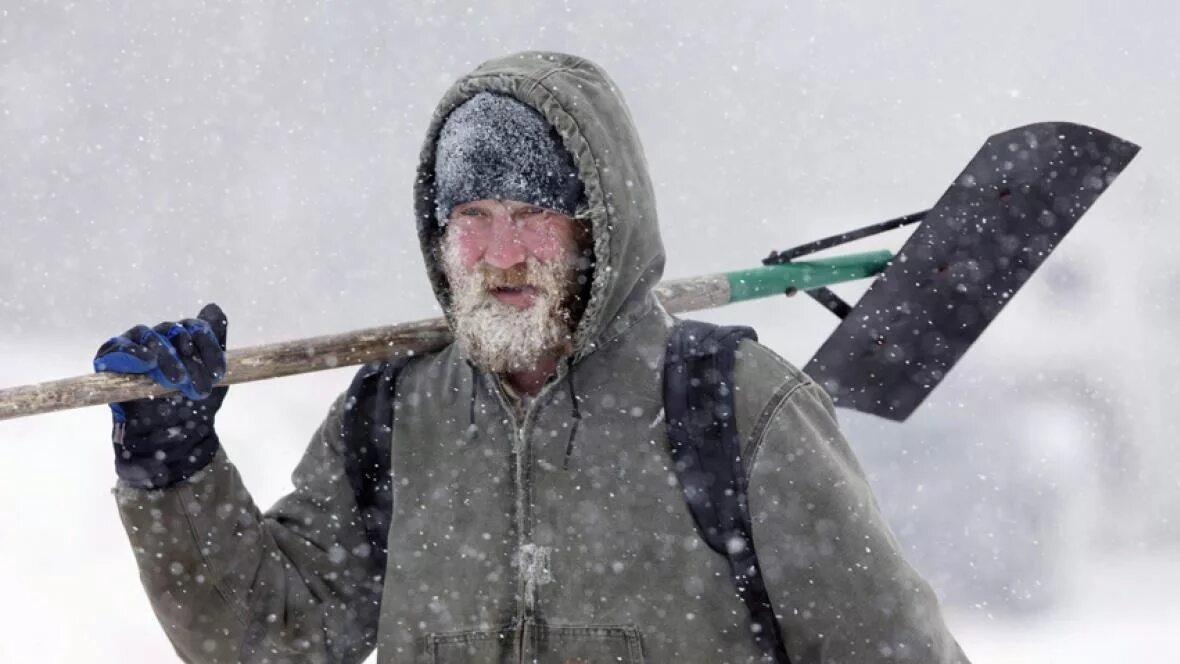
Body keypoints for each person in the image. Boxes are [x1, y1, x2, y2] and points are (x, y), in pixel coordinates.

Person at [99, 51, 969, 663]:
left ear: (598, 228)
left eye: (535, 213)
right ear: (440, 237)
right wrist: (172, 469)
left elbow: (890, 648)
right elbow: (271, 642)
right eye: (472, 215)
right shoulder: (396, 417)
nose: (502, 251)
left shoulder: (731, 409)